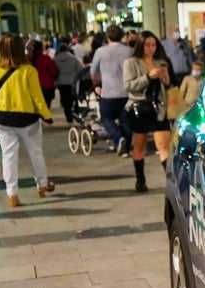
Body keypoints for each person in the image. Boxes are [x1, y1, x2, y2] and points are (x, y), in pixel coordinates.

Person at [0, 33, 54, 206]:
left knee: (8, 156)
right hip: (27, 119)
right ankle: (42, 185)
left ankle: (12, 194)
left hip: (2, 119)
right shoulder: (29, 70)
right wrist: (47, 116)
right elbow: (37, 97)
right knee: (36, 152)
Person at [122, 30, 175, 193]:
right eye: (147, 45)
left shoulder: (161, 62)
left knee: (164, 144)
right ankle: (140, 180)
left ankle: (171, 182)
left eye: (153, 45)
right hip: (139, 108)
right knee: (140, 144)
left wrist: (166, 80)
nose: (151, 48)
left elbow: (169, 87)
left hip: (159, 108)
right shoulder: (131, 63)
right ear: (141, 45)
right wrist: (148, 76)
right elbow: (129, 86)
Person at [91, 24, 133, 154]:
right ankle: (125, 149)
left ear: (107, 37)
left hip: (108, 92)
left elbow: (93, 72)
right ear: (121, 36)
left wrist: (97, 85)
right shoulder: (129, 51)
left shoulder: (100, 52)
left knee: (106, 118)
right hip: (127, 92)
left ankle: (118, 138)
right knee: (125, 120)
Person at [53, 38, 83, 123]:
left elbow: (53, 70)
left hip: (61, 82)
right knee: (73, 97)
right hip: (72, 81)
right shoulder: (73, 58)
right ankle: (75, 112)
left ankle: (68, 114)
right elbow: (80, 68)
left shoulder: (55, 60)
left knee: (65, 99)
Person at [27, 39, 59, 111]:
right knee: (46, 107)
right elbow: (54, 71)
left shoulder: (28, 59)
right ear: (41, 49)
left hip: (33, 86)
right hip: (46, 86)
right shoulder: (46, 58)